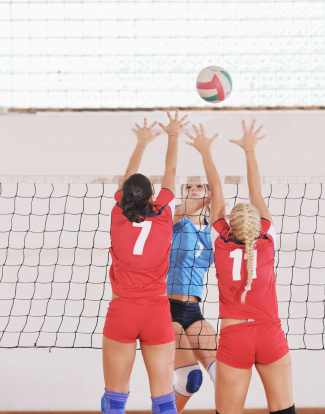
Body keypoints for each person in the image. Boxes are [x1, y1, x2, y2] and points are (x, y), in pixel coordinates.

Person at [185, 121, 296, 414]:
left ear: (230, 226)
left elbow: (217, 193)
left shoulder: (219, 240)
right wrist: (250, 150)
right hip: (270, 333)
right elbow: (256, 193)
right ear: (258, 223)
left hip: (235, 337)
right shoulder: (268, 239)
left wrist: (205, 151)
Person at [101, 110, 189, 414]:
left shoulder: (117, 214)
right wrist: (173, 133)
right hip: (156, 313)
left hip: (122, 311)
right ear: (152, 196)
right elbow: (172, 168)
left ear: (124, 198)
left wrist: (140, 143)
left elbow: (127, 179)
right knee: (165, 403)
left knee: (113, 403)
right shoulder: (164, 212)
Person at [167, 182, 218, 412]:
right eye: (188, 187)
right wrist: (213, 195)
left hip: (195, 311)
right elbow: (181, 209)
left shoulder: (213, 231)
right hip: (168, 310)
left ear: (208, 191)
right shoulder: (177, 220)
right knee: (191, 378)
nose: (193, 189)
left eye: (200, 186)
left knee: (224, 375)